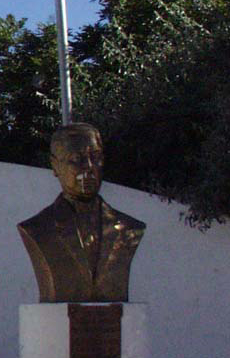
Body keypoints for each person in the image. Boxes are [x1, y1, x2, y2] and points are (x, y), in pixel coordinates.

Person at [17, 123, 145, 303]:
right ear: (55, 165)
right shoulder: (38, 228)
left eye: (96, 157)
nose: (89, 167)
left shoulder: (128, 228)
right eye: (76, 159)